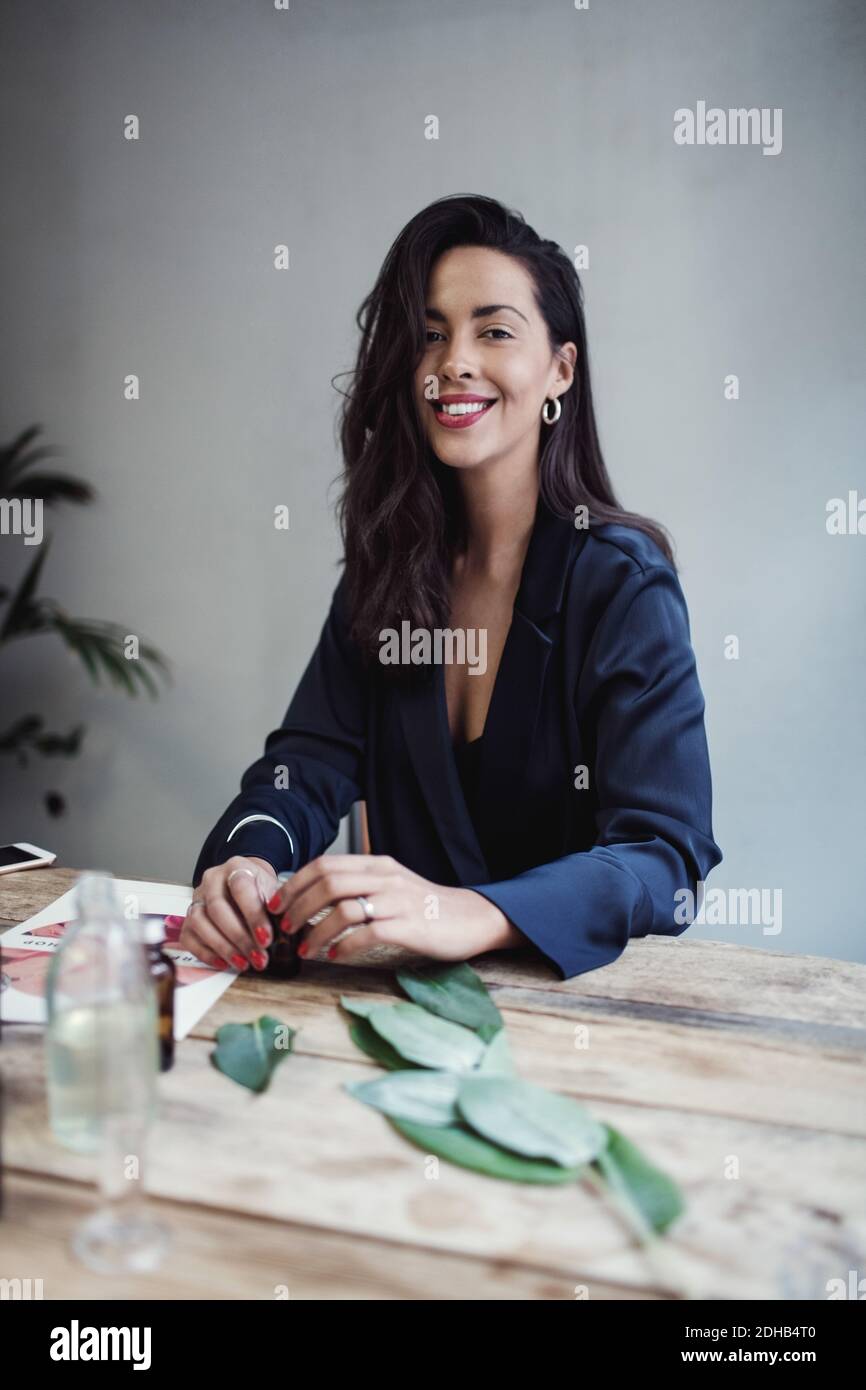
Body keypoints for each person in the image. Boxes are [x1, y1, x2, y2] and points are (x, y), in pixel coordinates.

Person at [182, 193, 722, 981]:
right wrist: (247, 862)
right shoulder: (390, 569)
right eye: (431, 335)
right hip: (390, 1016)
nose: (453, 362)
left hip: (578, 1027)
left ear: (559, 369)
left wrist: (473, 910)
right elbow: (304, 766)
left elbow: (664, 856)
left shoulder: (622, 584)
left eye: (493, 331)